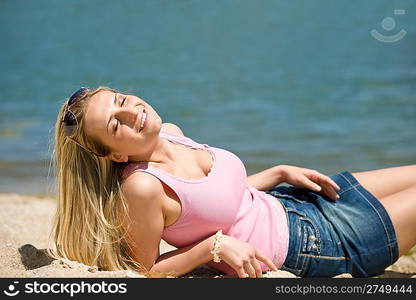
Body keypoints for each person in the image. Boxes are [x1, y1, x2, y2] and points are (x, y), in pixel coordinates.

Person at [49, 86, 416, 278]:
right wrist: (213, 248)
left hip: (296, 201)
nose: (132, 111)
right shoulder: (143, 187)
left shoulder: (173, 134)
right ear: (113, 154)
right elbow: (145, 271)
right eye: (117, 125)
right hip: (316, 246)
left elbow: (219, 199)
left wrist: (277, 173)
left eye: (122, 100)